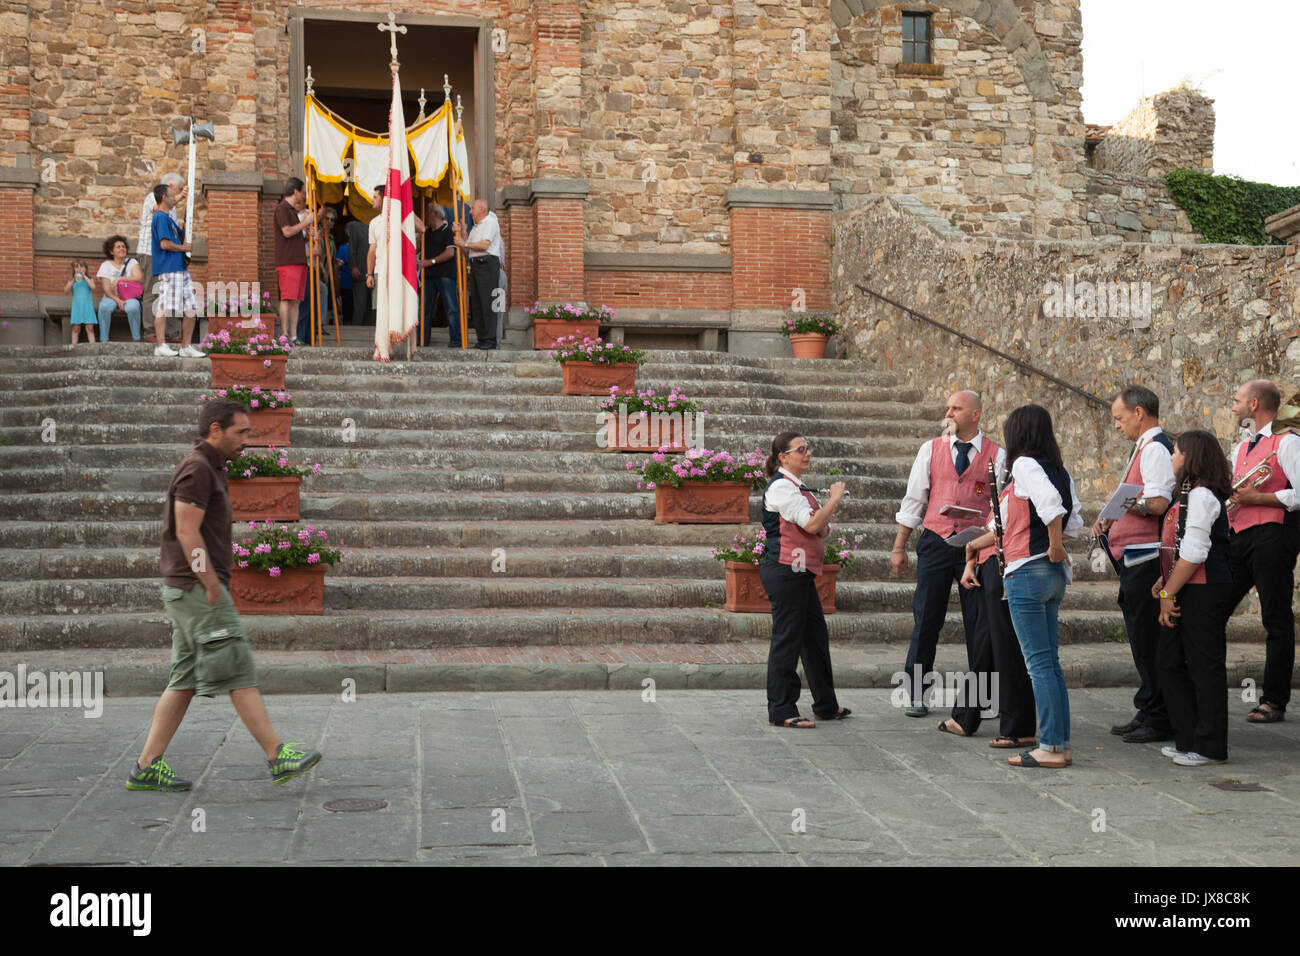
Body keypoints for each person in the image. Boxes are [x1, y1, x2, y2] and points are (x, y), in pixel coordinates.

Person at [126, 399, 322, 792]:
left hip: (188, 589)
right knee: (237, 665)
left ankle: (146, 766)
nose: (247, 440)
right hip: (197, 589)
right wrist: (210, 581)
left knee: (183, 680)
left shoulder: (208, 467)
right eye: (241, 432)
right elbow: (186, 530)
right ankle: (276, 754)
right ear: (215, 429)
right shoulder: (197, 470)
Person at [962, 404, 1082, 768]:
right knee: (1050, 664)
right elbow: (1071, 518)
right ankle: (1058, 743)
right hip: (1051, 576)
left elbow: (1052, 508)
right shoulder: (1058, 469)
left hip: (1026, 571)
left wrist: (1055, 544)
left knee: (1039, 665)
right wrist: (972, 546)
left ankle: (1048, 747)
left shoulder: (1024, 466)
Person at [891, 390, 1006, 716]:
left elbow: (1001, 507)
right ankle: (916, 693)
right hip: (936, 542)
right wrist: (900, 545)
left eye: (956, 408)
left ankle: (984, 698)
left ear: (976, 415)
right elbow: (914, 499)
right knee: (926, 618)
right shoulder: (931, 449)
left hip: (978, 547)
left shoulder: (997, 455)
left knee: (980, 624)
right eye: (947, 408)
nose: (949, 414)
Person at [1091, 385, 1176, 744]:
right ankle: (1149, 709)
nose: (1116, 425)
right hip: (1133, 556)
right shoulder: (1145, 447)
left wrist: (1124, 507)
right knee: (1141, 639)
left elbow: (1157, 502)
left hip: (1146, 557)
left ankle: (1158, 716)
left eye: (1119, 418)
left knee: (1148, 638)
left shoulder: (1155, 448)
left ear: (1139, 413)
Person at [1152, 430, 1233, 766]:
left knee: (1204, 665)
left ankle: (1210, 745)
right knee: (1168, 662)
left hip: (1205, 588)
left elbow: (1196, 552)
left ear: (1190, 456)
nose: (1171, 457)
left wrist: (1169, 591)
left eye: (1175, 452)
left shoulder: (1202, 496)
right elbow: (1181, 544)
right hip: (1187, 584)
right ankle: (1187, 738)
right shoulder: (1187, 494)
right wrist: (1165, 578)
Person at [1221, 379, 1300, 724]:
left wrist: (1260, 499)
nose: (1233, 406)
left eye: (1237, 400)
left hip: (1273, 536)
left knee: (1276, 618)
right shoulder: (1241, 448)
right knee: (1213, 609)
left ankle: (1274, 699)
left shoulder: (1288, 443)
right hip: (1238, 535)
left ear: (1254, 404)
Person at [760, 432, 850, 727]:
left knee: (814, 638)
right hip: (786, 569)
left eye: (808, 448)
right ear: (783, 457)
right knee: (787, 639)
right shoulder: (782, 488)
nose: (807, 453)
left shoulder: (798, 488)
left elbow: (819, 530)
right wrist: (834, 500)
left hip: (800, 571)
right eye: (801, 449)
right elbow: (813, 523)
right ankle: (782, 709)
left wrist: (820, 522)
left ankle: (826, 704)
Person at [947, 477, 1038, 748]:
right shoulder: (1015, 480)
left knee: (1005, 649)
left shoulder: (1028, 477)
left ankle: (1018, 727)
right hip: (990, 566)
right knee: (986, 646)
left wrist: (971, 546)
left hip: (1006, 567)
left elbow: (1004, 530)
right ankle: (965, 716)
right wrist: (972, 559)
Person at [149, 183, 203, 358]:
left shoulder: (169, 218)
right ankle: (160, 345)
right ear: (164, 197)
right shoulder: (161, 218)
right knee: (163, 307)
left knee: (191, 308)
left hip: (179, 268)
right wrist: (184, 247)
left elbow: (179, 237)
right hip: (169, 268)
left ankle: (186, 346)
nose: (175, 197)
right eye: (172, 195)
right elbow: (165, 244)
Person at [136, 172, 185, 342]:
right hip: (150, 253)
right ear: (169, 187)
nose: (179, 193)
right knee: (152, 292)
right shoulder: (152, 197)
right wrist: (178, 198)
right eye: (179, 189)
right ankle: (150, 332)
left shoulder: (173, 208)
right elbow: (159, 208)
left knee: (170, 294)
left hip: (168, 255)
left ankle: (171, 334)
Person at [453, 197, 504, 350]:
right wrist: (462, 233)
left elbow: (484, 245)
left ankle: (490, 339)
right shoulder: (476, 227)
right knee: (476, 304)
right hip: (475, 266)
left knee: (487, 303)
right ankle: (482, 338)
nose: (470, 211)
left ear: (482, 209)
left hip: (487, 264)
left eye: (472, 208)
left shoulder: (490, 221)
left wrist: (465, 243)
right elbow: (467, 250)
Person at [274, 177, 314, 344]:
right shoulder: (282, 208)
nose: (304, 196)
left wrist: (307, 234)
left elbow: (294, 235)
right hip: (288, 261)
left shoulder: (291, 210)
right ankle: (283, 334)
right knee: (287, 298)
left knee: (296, 301)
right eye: (303, 192)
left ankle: (293, 335)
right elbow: (287, 232)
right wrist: (304, 222)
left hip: (297, 260)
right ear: (295, 191)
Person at [419, 204, 461, 347]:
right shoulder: (427, 233)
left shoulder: (448, 231)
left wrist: (430, 262)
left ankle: (456, 340)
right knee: (425, 309)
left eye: (428, 214)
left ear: (435, 214)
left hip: (445, 274)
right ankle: (422, 340)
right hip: (429, 276)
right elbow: (418, 249)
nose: (426, 217)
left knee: (451, 308)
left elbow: (450, 253)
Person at [95, 234, 144, 343]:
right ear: (111, 251)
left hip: (129, 296)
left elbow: (139, 278)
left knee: (134, 307)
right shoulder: (105, 265)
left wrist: (119, 279)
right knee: (103, 308)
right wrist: (118, 301)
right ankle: (104, 341)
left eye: (123, 246)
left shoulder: (132, 262)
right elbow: (106, 289)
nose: (122, 248)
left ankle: (136, 340)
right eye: (118, 247)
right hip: (111, 297)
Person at [345, 213, 370, 326]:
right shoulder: (356, 226)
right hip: (360, 271)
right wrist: (353, 266)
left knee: (373, 306)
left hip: (376, 271)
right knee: (360, 304)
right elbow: (351, 249)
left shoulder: (379, 222)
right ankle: (356, 328)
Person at [65, 260, 96, 344]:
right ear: (73, 269)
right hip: (77, 307)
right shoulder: (72, 280)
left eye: (82, 266)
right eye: (76, 267)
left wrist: (84, 276)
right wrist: (73, 280)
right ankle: (74, 346)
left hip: (87, 307)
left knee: (90, 328)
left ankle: (93, 347)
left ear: (86, 268)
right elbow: (66, 290)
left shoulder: (89, 279)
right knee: (76, 328)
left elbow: (93, 287)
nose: (79, 269)